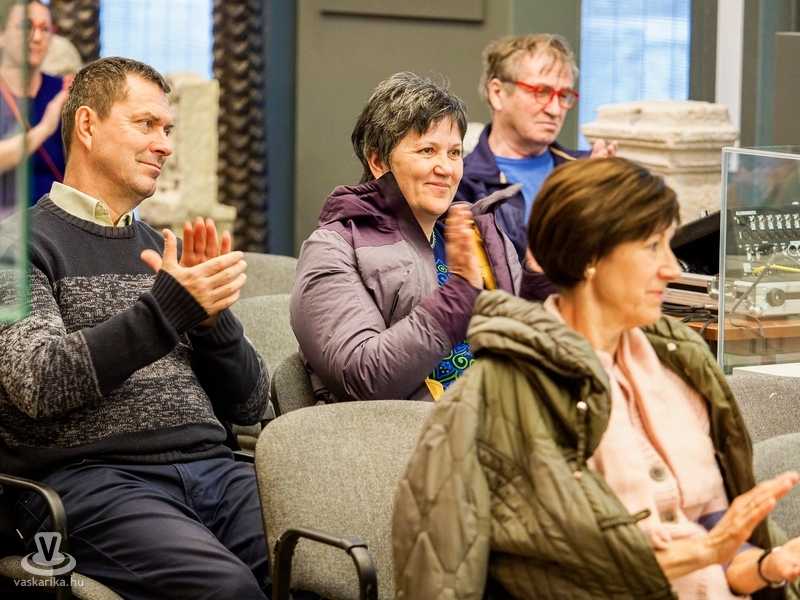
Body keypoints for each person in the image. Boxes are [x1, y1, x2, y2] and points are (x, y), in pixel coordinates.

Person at [394, 157, 800, 599]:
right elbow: (457, 579)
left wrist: (765, 565)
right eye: (652, 247)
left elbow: (716, 538)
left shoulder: (681, 361)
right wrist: (704, 552)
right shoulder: (494, 396)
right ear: (589, 256)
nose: (673, 268)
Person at [0, 57, 271, 600]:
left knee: (326, 565)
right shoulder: (17, 247)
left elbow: (250, 405)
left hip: (215, 470)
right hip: (90, 481)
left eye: (167, 129)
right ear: (87, 125)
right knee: (227, 590)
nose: (164, 145)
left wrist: (212, 323)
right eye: (146, 124)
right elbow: (38, 380)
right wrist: (167, 311)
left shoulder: (168, 252)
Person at [290, 72, 521, 403]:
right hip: (411, 431)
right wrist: (458, 298)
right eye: (427, 150)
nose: (446, 168)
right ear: (377, 160)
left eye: (454, 153)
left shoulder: (479, 237)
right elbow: (363, 377)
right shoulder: (333, 249)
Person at [455, 34, 617, 265]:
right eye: (541, 92)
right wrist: (571, 204)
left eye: (563, 95)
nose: (555, 109)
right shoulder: (461, 183)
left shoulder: (586, 170)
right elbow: (496, 270)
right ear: (497, 93)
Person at [0, 0, 68, 209]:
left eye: (45, 29)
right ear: (1, 34)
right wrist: (45, 128)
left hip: (55, 215)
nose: (37, 37)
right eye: (26, 26)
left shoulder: (64, 90)